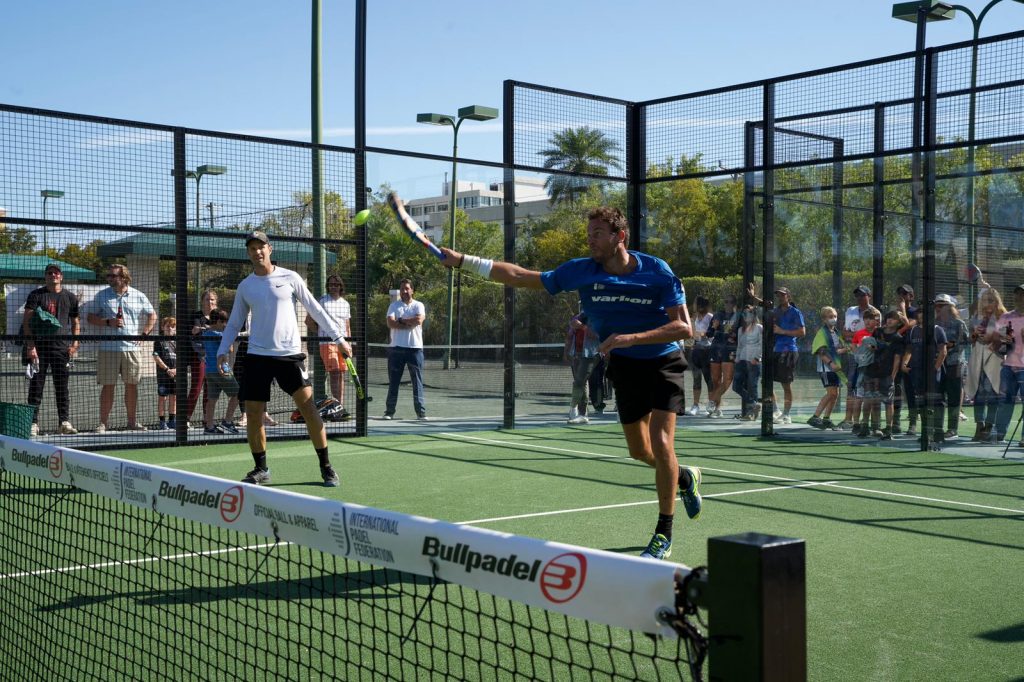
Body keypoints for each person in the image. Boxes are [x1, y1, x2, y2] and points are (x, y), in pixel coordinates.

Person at [438, 206, 701, 561]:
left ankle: (663, 533)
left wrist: (630, 338)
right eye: (588, 232)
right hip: (625, 366)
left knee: (663, 441)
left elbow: (684, 328)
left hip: (662, 361)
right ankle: (684, 478)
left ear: (619, 237)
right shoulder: (580, 271)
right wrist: (463, 261)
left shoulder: (657, 271)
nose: (589, 238)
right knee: (640, 452)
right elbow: (519, 275)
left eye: (597, 233)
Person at [216, 231, 353, 487]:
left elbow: (315, 308)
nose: (257, 252)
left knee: (309, 409)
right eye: (252, 248)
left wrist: (339, 339)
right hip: (257, 356)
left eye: (261, 247)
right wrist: (222, 350)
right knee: (254, 413)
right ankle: (261, 468)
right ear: (248, 253)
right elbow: (234, 322)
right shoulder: (245, 286)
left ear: (270, 249)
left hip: (289, 356)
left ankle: (326, 466)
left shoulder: (291, 277)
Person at [86, 263, 156, 433]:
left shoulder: (138, 295)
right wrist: (107, 322)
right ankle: (103, 424)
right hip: (108, 348)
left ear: (124, 277)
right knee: (108, 386)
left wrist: (144, 333)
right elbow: (90, 317)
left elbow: (152, 314)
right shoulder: (102, 295)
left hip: (131, 349)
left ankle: (132, 422)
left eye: (113, 276)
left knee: (132, 385)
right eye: (108, 276)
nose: (109, 278)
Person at [23, 263, 80, 437]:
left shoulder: (70, 297)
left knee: (62, 387)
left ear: (61, 276)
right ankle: (33, 423)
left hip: (61, 349)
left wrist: (74, 344)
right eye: (49, 273)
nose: (53, 275)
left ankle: (64, 422)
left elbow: (76, 323)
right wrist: (31, 345)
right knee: (36, 387)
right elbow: (27, 322)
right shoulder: (36, 295)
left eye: (56, 273)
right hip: (39, 348)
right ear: (45, 276)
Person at [747, 285, 805, 424]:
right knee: (766, 381)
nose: (780, 297)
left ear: (788, 296)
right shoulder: (775, 311)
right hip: (774, 351)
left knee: (786, 384)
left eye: (783, 295)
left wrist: (782, 331)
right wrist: (754, 297)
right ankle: (776, 410)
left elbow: (802, 332)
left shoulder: (795, 312)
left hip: (789, 350)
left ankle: (786, 414)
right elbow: (765, 305)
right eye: (778, 295)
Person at [305, 274, 352, 420]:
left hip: (343, 343)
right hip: (327, 343)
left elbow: (347, 326)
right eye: (331, 284)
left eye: (336, 284)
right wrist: (320, 333)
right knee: (335, 372)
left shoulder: (345, 303)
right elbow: (308, 321)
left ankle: (340, 405)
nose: (333, 287)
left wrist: (349, 344)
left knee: (341, 374)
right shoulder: (322, 301)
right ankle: (335, 404)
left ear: (340, 286)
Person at [901, 307, 947, 443]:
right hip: (916, 370)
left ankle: (938, 432)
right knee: (921, 401)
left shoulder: (938, 330)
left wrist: (935, 368)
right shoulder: (913, 331)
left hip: (932, 372)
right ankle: (926, 432)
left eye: (924, 313)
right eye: (919, 314)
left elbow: (943, 351)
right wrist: (904, 363)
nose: (921, 316)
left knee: (937, 400)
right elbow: (909, 349)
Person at [964, 287, 1005, 441]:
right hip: (977, 360)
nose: (987, 303)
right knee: (978, 395)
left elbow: (1007, 341)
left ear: (996, 301)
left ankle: (989, 426)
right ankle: (979, 426)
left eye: (990, 300)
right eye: (985, 300)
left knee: (993, 394)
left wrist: (992, 339)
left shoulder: (1003, 317)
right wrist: (974, 336)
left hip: (994, 359)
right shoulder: (976, 317)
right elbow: (970, 339)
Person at [383, 279, 427, 420]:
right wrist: (406, 322)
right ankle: (389, 412)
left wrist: (400, 320)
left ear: (412, 290)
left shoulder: (419, 305)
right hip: (396, 350)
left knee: (417, 382)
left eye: (407, 288)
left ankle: (421, 413)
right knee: (394, 382)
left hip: (415, 350)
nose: (404, 291)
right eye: (402, 289)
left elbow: (419, 320)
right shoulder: (393, 306)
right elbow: (390, 323)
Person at [837, 285, 877, 430]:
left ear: (869, 296)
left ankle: (868, 423)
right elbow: (844, 332)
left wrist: (855, 336)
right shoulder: (850, 310)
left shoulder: (875, 312)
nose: (860, 298)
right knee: (851, 386)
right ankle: (849, 420)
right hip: (852, 354)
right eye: (857, 295)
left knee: (868, 388)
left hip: (868, 356)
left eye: (862, 295)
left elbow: (872, 334)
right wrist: (857, 336)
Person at [991, 285, 1024, 444]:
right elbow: (997, 339)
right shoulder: (1006, 317)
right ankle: (999, 434)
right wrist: (1000, 345)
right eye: (1017, 293)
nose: (1019, 297)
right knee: (1005, 401)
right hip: (1008, 366)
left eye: (1022, 294)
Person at [934, 294, 969, 440]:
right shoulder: (933, 323)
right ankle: (937, 428)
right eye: (937, 305)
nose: (939, 308)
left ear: (950, 306)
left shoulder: (959, 323)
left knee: (954, 397)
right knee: (938, 397)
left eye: (942, 305)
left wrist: (952, 345)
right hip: (937, 364)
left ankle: (952, 429)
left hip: (955, 363)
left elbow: (966, 342)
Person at [808, 306, 847, 430]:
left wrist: (847, 348)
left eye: (835, 316)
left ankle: (826, 419)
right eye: (830, 317)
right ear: (824, 319)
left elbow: (836, 350)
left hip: (836, 368)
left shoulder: (836, 332)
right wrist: (830, 364)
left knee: (835, 394)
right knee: (831, 393)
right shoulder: (822, 333)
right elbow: (821, 351)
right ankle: (815, 417)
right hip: (826, 368)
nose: (833, 319)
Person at [202, 309, 240, 435]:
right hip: (222, 370)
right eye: (224, 323)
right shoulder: (220, 335)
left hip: (209, 371)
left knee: (211, 399)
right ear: (218, 321)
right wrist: (228, 335)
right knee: (238, 394)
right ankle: (228, 421)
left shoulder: (205, 334)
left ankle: (209, 426)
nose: (225, 325)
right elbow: (230, 349)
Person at [185, 290, 219, 428]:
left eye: (212, 300)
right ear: (202, 301)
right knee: (197, 386)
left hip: (215, 357)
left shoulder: (218, 317)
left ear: (216, 302)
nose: (209, 302)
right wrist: (205, 328)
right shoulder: (195, 316)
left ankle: (207, 419)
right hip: (199, 355)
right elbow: (193, 331)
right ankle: (185, 418)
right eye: (207, 299)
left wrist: (204, 328)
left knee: (210, 389)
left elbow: (223, 329)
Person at [564, 312, 602, 424]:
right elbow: (572, 325)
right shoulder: (583, 314)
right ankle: (582, 414)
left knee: (579, 381)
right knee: (582, 382)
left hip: (592, 354)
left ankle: (574, 409)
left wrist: (584, 328)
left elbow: (598, 335)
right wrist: (566, 351)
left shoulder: (601, 315)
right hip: (576, 353)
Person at [705, 295, 739, 418]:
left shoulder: (739, 316)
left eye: (730, 302)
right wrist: (714, 327)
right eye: (726, 302)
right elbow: (709, 334)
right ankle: (717, 409)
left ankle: (712, 401)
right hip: (716, 349)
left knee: (728, 379)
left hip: (730, 349)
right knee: (715, 381)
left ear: (735, 304)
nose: (728, 304)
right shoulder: (718, 315)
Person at [731, 304, 762, 420]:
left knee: (752, 386)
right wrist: (737, 358)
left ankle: (751, 414)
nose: (745, 316)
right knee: (736, 386)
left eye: (747, 313)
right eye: (743, 314)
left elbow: (761, 344)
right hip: (742, 360)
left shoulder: (759, 327)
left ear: (753, 315)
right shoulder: (740, 329)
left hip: (754, 361)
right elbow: (739, 345)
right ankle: (754, 404)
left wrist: (757, 357)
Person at [685, 296, 713, 416]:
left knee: (709, 379)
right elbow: (692, 334)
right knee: (696, 378)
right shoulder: (695, 317)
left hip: (707, 350)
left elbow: (712, 334)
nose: (695, 306)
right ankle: (695, 405)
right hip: (696, 350)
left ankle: (711, 404)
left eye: (696, 304)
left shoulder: (710, 317)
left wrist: (701, 335)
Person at [152, 316, 177, 430]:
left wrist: (176, 370)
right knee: (163, 398)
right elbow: (156, 357)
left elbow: (182, 358)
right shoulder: (159, 341)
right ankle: (162, 422)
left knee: (174, 397)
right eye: (168, 326)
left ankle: (172, 420)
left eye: (173, 327)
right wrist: (167, 369)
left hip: (175, 375)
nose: (170, 329)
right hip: (163, 376)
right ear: (163, 327)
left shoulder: (177, 342)